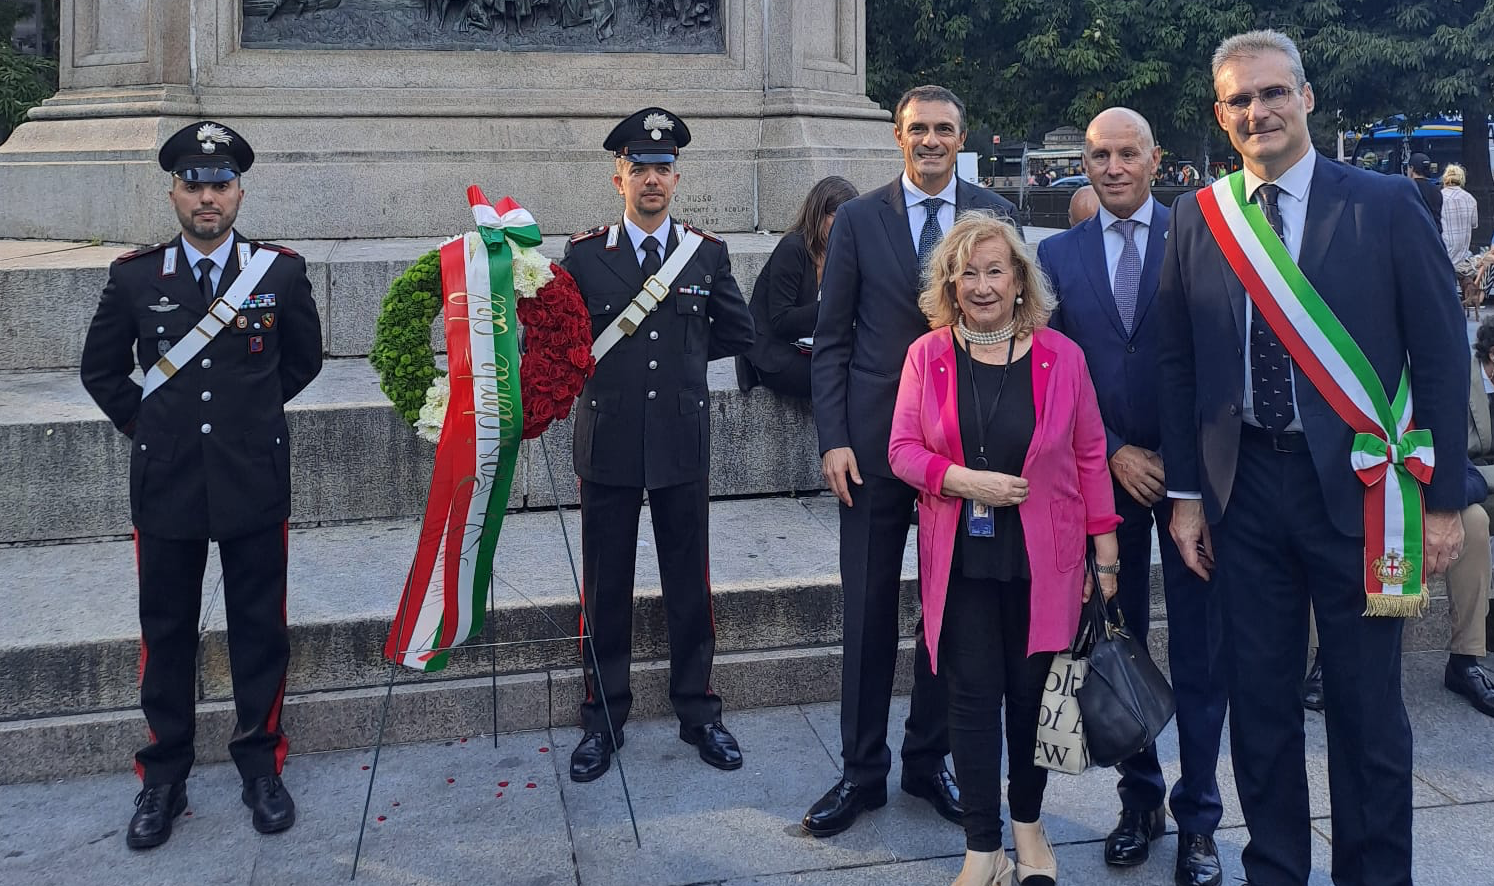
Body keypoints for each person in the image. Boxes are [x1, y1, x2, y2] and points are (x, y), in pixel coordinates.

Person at [1158, 29, 1467, 886]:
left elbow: (1441, 355)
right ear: (1222, 119)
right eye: (1240, 100)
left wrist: (1444, 501)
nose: (1258, 110)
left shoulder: (1384, 203)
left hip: (1365, 491)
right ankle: (1276, 872)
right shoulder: (1199, 216)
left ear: (1307, 99)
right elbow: (1178, 362)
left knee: (1368, 714)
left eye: (1273, 92)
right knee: (1259, 709)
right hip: (1242, 491)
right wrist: (1186, 495)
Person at [79, 121, 323, 849]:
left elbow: (301, 362)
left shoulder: (278, 274)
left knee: (258, 629)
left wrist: (248, 421)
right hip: (169, 480)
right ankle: (163, 778)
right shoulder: (134, 276)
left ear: (240, 191)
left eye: (219, 184)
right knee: (167, 634)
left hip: (252, 478)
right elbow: (100, 371)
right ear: (174, 193)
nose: (207, 197)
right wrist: (151, 430)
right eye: (194, 185)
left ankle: (260, 765)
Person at [802, 84, 1020, 838]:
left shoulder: (996, 212)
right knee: (866, 614)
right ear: (898, 137)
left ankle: (930, 762)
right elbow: (831, 341)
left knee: (948, 615)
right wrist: (832, 438)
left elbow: (1016, 330)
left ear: (963, 138)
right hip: (868, 453)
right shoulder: (859, 220)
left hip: (963, 457)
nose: (931, 141)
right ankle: (861, 772)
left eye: (945, 130)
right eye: (918, 129)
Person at [888, 212, 1120, 886]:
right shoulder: (925, 356)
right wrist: (960, 479)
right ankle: (981, 850)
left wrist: (1105, 557)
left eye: (996, 271)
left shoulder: (1061, 357)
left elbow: (1090, 455)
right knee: (969, 699)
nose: (983, 285)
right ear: (950, 285)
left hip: (1043, 561)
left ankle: (1030, 831)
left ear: (1020, 281)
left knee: (1030, 699)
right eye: (969, 273)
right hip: (960, 559)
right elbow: (901, 450)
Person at [1038, 107, 1228, 886]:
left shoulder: (1202, 241)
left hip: (1192, 483)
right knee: (1118, 644)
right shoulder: (1055, 254)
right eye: (1099, 155)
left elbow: (1215, 364)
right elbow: (1053, 371)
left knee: (1200, 652)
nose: (1112, 167)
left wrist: (1177, 470)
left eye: (1127, 154)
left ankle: (1200, 820)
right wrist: (1113, 453)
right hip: (1102, 479)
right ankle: (1139, 798)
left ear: (1157, 160)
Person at [560, 107, 755, 783]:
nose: (652, 179)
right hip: (608, 438)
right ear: (618, 177)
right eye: (639, 168)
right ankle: (603, 717)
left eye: (663, 169)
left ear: (677, 178)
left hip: (679, 439)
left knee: (688, 585)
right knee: (605, 586)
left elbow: (736, 332)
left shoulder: (706, 254)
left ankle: (699, 712)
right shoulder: (584, 256)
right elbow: (562, 339)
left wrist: (685, 361)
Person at [735, 176, 859, 397]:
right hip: (772, 351)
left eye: (851, 219)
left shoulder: (838, 252)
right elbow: (781, 321)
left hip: (806, 345)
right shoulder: (792, 248)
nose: (846, 226)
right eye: (839, 217)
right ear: (819, 214)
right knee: (836, 377)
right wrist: (832, 307)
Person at [1441, 163, 1481, 299]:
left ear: (1445, 178)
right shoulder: (1470, 199)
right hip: (1463, 255)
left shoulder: (1440, 197)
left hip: (1444, 254)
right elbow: (1474, 224)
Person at [1408, 151, 1444, 236]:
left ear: (1412, 169)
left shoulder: (1408, 188)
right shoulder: (1436, 189)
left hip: (1415, 236)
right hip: (1433, 236)